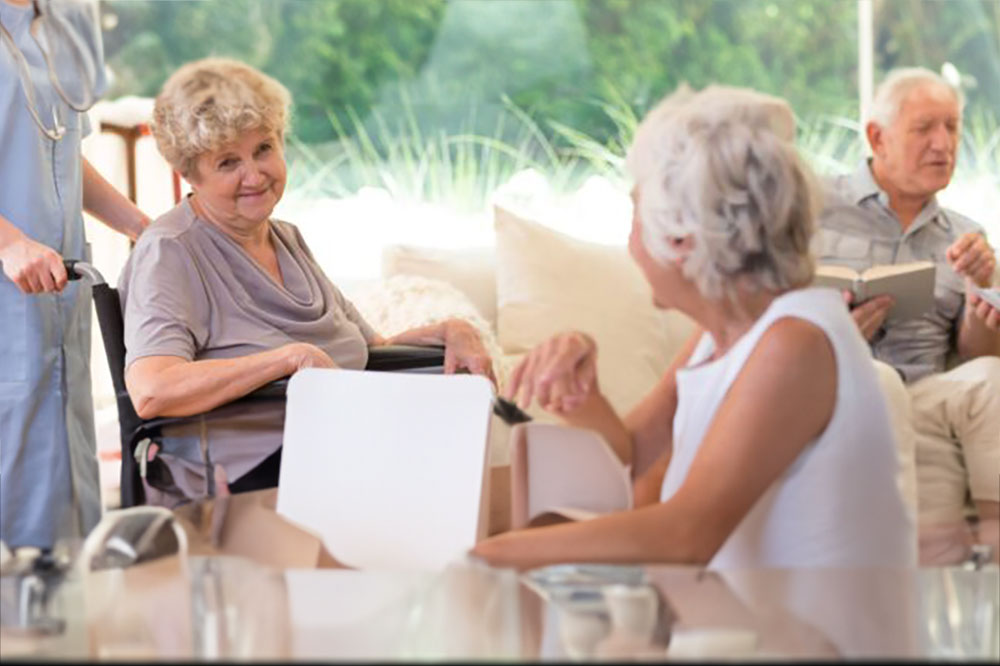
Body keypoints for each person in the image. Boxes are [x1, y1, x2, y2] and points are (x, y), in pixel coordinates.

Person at [471, 84, 916, 570]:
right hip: (750, 629)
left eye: (634, 214)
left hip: (825, 639)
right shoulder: (725, 333)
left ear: (682, 238)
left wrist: (490, 554)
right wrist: (584, 397)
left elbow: (686, 533)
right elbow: (632, 453)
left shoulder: (797, 341)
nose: (629, 240)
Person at [118, 57, 495, 506]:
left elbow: (369, 347)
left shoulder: (285, 237)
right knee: (446, 492)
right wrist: (286, 360)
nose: (255, 176)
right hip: (254, 475)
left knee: (470, 461)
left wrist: (450, 329)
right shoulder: (172, 251)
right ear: (190, 174)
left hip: (338, 448)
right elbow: (153, 389)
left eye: (263, 149)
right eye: (227, 162)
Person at [816, 67, 1000, 535]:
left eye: (952, 127)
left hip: (924, 392)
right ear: (878, 137)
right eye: (924, 129)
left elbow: (977, 355)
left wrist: (982, 292)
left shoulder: (966, 236)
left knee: (991, 379)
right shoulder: (814, 208)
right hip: (832, 387)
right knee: (876, 380)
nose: (943, 144)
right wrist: (834, 334)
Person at [0, 0, 151, 550]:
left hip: (58, 293)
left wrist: (140, 224)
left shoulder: (58, 30)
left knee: (68, 470)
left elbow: (61, 153)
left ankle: (69, 603)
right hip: (9, 291)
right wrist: (10, 244)